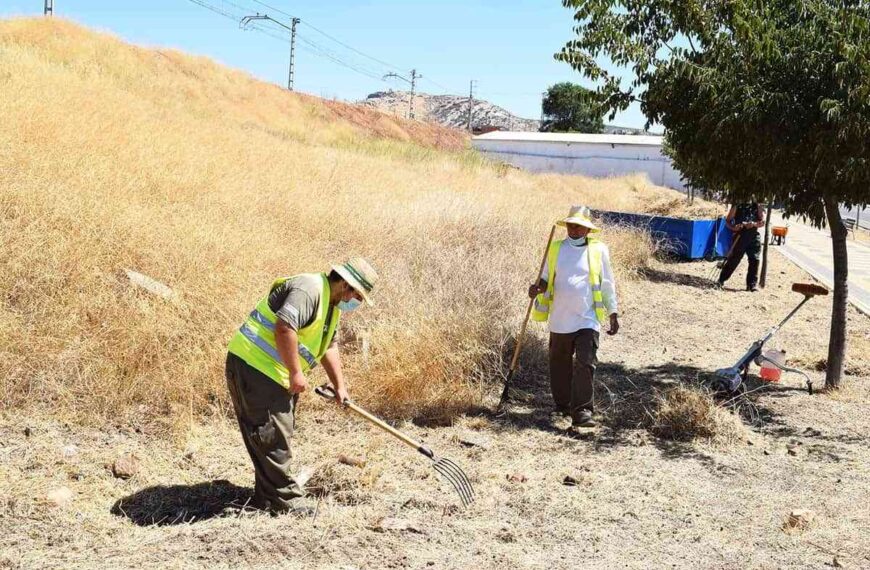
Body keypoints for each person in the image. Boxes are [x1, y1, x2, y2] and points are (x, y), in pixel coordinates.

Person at [225, 258, 377, 513]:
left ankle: (268, 497)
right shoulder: (310, 289)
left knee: (273, 434)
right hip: (257, 367)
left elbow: (329, 345)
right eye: (358, 296)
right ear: (346, 285)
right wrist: (296, 373)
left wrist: (340, 386)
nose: (358, 302)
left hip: (272, 372)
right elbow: (285, 328)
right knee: (273, 436)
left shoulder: (332, 305)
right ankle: (286, 501)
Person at [528, 206, 619, 429]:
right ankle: (562, 406)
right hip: (560, 317)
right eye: (570, 225)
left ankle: (583, 412)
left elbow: (607, 283)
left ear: (587, 229)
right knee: (559, 365)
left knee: (586, 363)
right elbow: (546, 278)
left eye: (578, 225)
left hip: (587, 318)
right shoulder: (556, 248)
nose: (573, 229)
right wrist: (537, 287)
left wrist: (613, 313)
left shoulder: (599, 250)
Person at [716, 202, 765, 291]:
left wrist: (753, 224)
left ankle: (751, 285)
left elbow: (762, 222)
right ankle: (721, 280)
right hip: (740, 235)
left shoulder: (757, 204)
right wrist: (734, 228)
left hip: (754, 236)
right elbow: (727, 221)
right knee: (734, 260)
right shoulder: (738, 204)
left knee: (755, 260)